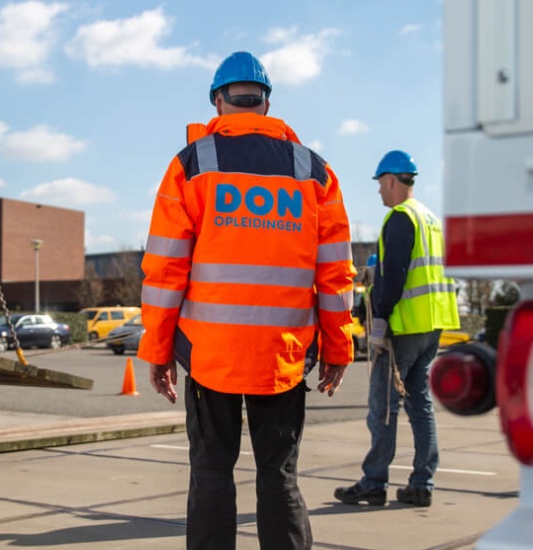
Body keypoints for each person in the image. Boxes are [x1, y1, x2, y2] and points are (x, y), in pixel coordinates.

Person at [139, 51, 356, 550]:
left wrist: (156, 351)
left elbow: (166, 267)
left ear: (219, 101)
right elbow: (336, 273)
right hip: (282, 356)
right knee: (278, 478)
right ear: (265, 103)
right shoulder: (313, 171)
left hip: (210, 354)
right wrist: (339, 348)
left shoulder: (192, 164)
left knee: (212, 476)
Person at [334, 150, 460, 508]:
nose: (378, 192)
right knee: (420, 405)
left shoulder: (400, 218)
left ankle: (374, 483)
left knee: (383, 408)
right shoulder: (431, 220)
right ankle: (422, 483)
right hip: (431, 325)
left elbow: (394, 277)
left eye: (379, 184)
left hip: (403, 328)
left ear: (391, 180)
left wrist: (379, 320)